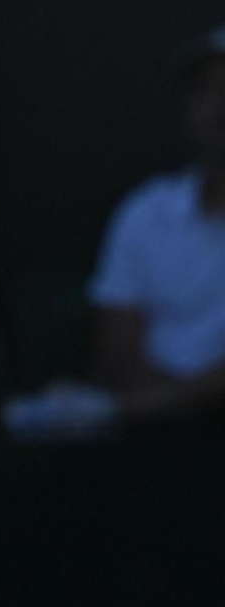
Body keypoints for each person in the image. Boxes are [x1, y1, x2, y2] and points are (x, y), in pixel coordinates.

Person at [86, 26, 225, 427]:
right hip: (150, 432)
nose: (222, 105)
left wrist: (184, 399)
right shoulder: (144, 212)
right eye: (208, 89)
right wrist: (164, 402)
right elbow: (114, 353)